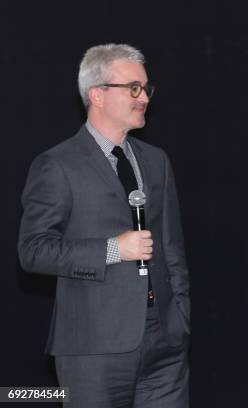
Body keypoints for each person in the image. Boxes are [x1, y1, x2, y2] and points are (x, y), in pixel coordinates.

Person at [18, 44, 190, 407]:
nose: (143, 97)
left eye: (145, 88)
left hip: (164, 342)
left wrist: (179, 317)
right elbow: (33, 252)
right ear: (97, 94)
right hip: (92, 348)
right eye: (132, 88)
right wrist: (114, 249)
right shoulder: (57, 164)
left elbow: (172, 246)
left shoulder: (156, 161)